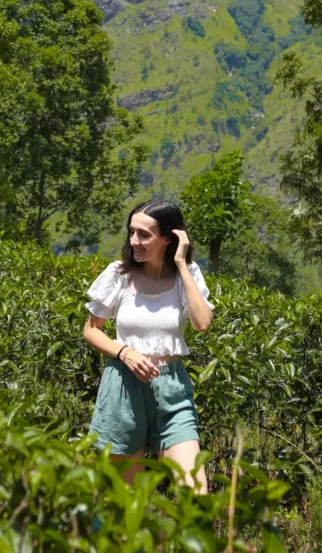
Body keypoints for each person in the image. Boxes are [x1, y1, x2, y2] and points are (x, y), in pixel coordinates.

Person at [83, 198, 213, 491]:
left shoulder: (186, 274)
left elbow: (202, 323)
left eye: (144, 235)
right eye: (132, 232)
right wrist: (125, 353)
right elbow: (91, 331)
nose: (134, 241)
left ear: (169, 238)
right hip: (123, 388)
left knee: (196, 491)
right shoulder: (119, 274)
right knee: (125, 498)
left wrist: (181, 263)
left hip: (172, 388)